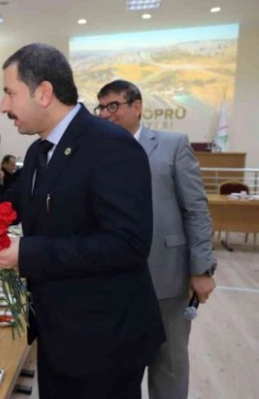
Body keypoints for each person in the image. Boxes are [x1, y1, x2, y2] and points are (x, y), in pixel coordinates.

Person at [0, 43, 165, 399]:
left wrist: (27, 253)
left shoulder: (110, 146)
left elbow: (127, 245)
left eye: (10, 93)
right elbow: (10, 204)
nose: (3, 106)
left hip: (104, 337)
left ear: (43, 93)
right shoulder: (40, 148)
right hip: (60, 328)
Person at [96, 80, 217, 399]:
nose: (106, 114)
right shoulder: (98, 152)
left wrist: (202, 269)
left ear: (137, 107)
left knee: (169, 364)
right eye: (101, 107)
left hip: (167, 276)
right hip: (115, 279)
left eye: (113, 106)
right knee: (120, 365)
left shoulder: (172, 144)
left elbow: (195, 208)